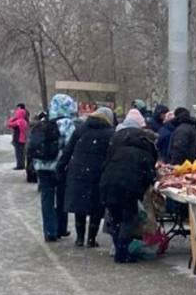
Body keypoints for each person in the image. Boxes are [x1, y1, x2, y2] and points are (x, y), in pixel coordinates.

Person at [100, 111, 158, 263]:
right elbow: (150, 175)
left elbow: (106, 165)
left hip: (108, 185)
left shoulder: (121, 149)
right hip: (128, 189)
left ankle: (118, 248)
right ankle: (122, 252)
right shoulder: (145, 153)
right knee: (128, 219)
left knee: (115, 218)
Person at [57, 107, 114, 247]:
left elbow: (67, 151)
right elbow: (111, 155)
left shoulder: (80, 129)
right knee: (96, 206)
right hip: (98, 173)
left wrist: (60, 167)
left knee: (79, 205)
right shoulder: (110, 133)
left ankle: (80, 238)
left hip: (77, 171)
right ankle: (91, 239)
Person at [32, 94, 77, 242]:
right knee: (61, 196)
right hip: (58, 165)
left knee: (47, 197)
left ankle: (49, 230)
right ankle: (60, 228)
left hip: (41, 164)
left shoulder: (44, 120)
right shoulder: (67, 123)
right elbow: (71, 145)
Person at [7, 104, 29, 170]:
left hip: (18, 138)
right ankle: (22, 164)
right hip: (23, 138)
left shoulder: (19, 121)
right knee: (21, 153)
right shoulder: (24, 121)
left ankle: (19, 165)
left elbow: (9, 124)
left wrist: (13, 118)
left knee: (18, 153)